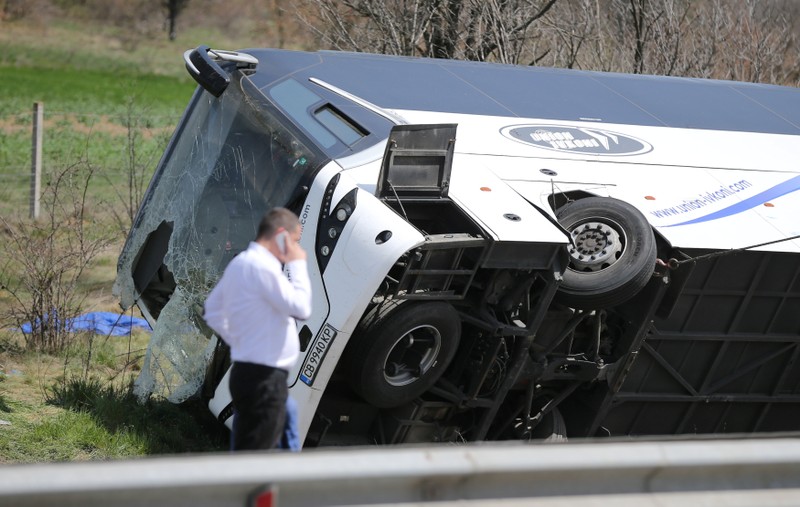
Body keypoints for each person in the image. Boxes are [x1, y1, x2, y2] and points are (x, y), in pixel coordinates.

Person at [204, 207, 312, 451]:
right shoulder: (262, 269)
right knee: (254, 456)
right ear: (282, 236)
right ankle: (253, 487)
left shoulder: (242, 262)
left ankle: (282, 483)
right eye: (295, 241)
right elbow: (302, 308)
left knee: (288, 424)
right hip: (264, 380)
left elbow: (212, 310)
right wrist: (297, 265)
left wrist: (240, 341)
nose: (296, 248)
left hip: (250, 374)